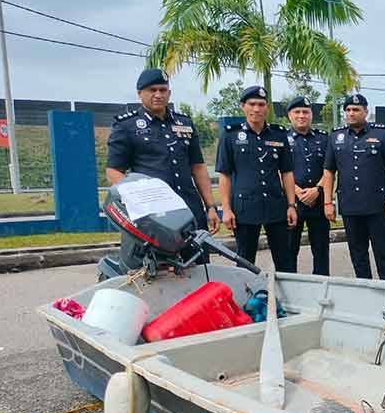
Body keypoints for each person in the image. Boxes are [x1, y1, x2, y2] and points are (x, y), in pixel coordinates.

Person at [106, 68, 220, 234]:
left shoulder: (184, 122)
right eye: (152, 90)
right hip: (155, 215)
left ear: (169, 92)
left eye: (163, 90)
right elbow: (114, 171)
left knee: (199, 259)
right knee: (163, 261)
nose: (158, 95)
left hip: (190, 208)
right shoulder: (126, 126)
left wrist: (210, 206)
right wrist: (139, 202)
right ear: (140, 93)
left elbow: (198, 167)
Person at [215, 85, 298, 271]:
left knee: (285, 260)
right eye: (252, 104)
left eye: (261, 104)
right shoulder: (230, 135)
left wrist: (292, 205)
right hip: (244, 209)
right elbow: (225, 175)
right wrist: (226, 210)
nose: (256, 109)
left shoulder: (279, 134)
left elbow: (287, 172)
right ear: (242, 106)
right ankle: (248, 299)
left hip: (276, 207)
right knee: (245, 262)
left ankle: (285, 299)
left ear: (267, 107)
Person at [321, 93, 385, 280]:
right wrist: (328, 202)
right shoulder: (336, 136)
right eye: (348, 110)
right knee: (358, 256)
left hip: (378, 206)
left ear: (365, 112)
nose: (351, 113)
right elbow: (329, 171)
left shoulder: (381, 133)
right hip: (350, 207)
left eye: (356, 110)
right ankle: (365, 293)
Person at [285, 95, 330, 275]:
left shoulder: (324, 139)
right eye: (297, 112)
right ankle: (291, 290)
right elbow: (276, 170)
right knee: (288, 251)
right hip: (291, 204)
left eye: (305, 112)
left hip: (318, 202)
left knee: (321, 250)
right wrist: (296, 192)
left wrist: (317, 189)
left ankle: (321, 287)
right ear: (290, 115)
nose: (301, 115)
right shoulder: (280, 138)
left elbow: (331, 169)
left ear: (311, 115)